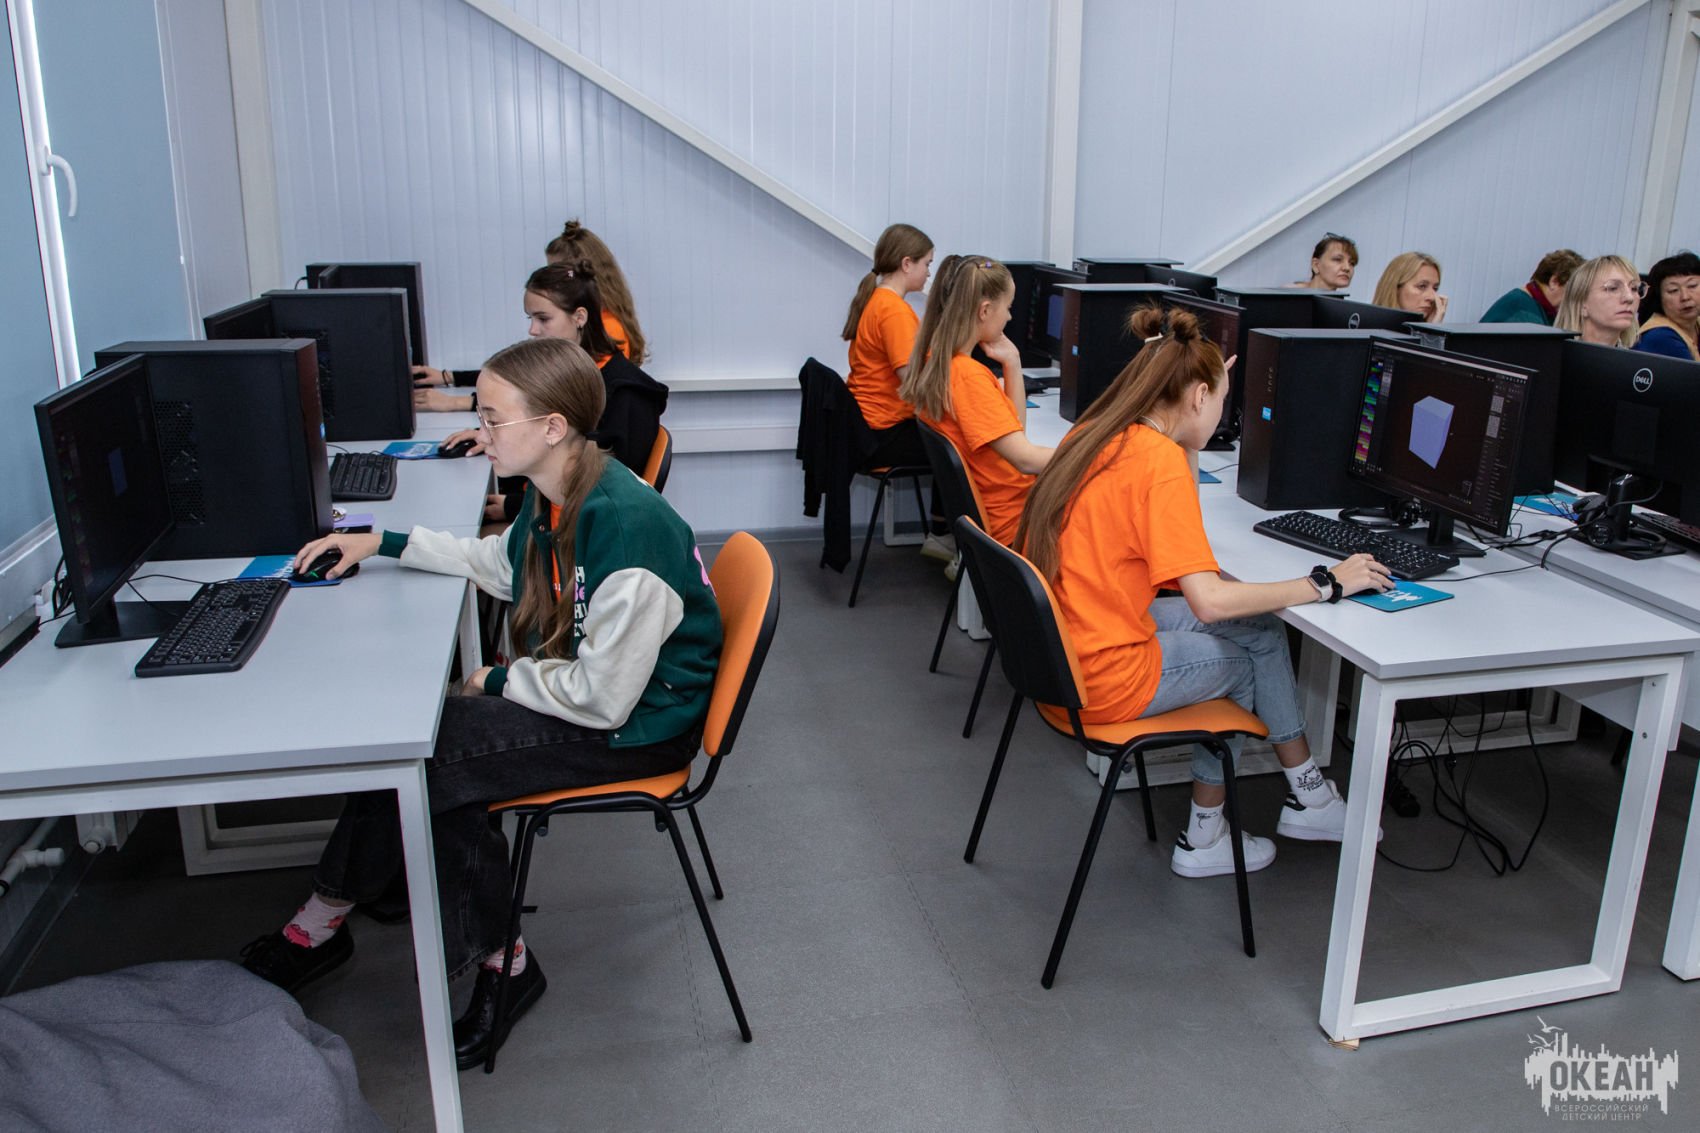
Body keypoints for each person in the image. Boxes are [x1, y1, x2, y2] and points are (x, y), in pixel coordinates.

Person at [238, 337, 721, 1070]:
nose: (480, 433)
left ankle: (357, 929)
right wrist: (382, 541)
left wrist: (496, 681)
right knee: (428, 748)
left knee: (431, 754)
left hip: (642, 726)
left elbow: (603, 699)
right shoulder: (559, 492)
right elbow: (498, 564)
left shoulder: (624, 524)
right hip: (602, 695)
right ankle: (395, 928)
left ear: (552, 427)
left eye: (493, 419)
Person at [1016, 306, 1393, 877]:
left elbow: (1177, 517)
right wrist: (1326, 583)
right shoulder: (1157, 463)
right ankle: (1204, 837)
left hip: (1064, 654)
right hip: (1104, 676)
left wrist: (1196, 414)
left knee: (1260, 628)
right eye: (1220, 401)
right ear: (1196, 397)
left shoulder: (1107, 434)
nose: (1221, 414)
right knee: (1242, 664)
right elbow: (1208, 601)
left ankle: (1310, 796)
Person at [430, 264, 669, 524]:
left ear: (579, 317)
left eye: (543, 319)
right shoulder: (566, 373)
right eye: (530, 319)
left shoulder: (627, 394)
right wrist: (494, 431)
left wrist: (512, 505)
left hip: (567, 517)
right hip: (540, 503)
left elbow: (605, 488)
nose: (533, 330)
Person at [898, 256, 1053, 546]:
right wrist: (1090, 454)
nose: (1009, 318)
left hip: (1002, 516)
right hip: (1016, 523)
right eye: (1008, 308)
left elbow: (1015, 432)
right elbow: (1025, 459)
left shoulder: (942, 364)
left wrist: (1012, 362)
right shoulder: (969, 378)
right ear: (985, 310)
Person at [546, 219, 648, 364]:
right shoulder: (585, 322)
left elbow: (589, 377)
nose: (553, 280)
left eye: (561, 273)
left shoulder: (607, 329)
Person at [1554, 255, 1643, 348]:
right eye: (1613, 288)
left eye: (1634, 288)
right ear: (1581, 303)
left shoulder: (1635, 357)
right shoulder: (1550, 354)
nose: (1629, 297)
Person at [1480, 249, 1583, 325]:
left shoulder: (1526, 303)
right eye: (1576, 289)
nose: (1578, 298)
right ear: (1554, 282)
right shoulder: (1525, 314)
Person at [1634, 251, 1700, 361]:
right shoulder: (1661, 337)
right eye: (1673, 290)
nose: (1685, 297)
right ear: (1659, 298)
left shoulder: (1696, 323)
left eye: (1692, 286)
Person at [1372, 252, 1446, 323]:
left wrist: (1432, 327)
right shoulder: (1367, 327)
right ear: (1396, 288)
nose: (1432, 297)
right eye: (1422, 286)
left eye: (1435, 289)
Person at [1293, 233, 1358, 291]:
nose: (1347, 268)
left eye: (1352, 263)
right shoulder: (1290, 296)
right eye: (1337, 259)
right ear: (1316, 265)